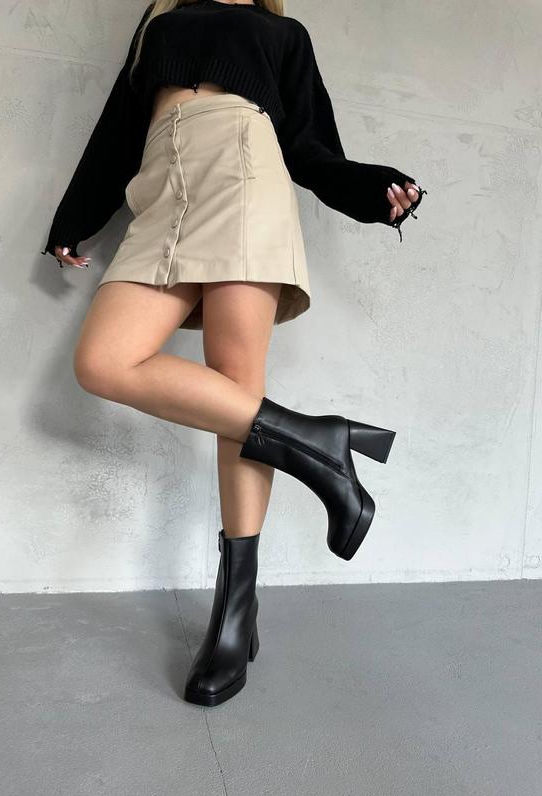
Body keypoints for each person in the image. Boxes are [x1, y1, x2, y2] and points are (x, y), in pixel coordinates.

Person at [40, 0, 427, 707]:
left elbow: (311, 147)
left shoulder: (281, 32)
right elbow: (119, 128)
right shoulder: (162, 18)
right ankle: (318, 441)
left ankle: (235, 616)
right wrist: (75, 218)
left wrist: (377, 191)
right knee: (103, 360)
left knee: (235, 389)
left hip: (245, 172)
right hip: (160, 186)